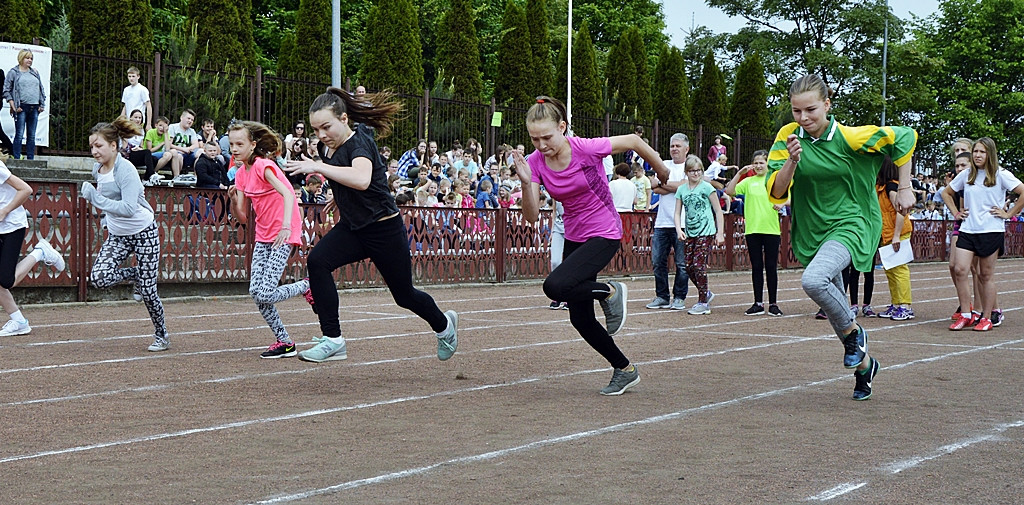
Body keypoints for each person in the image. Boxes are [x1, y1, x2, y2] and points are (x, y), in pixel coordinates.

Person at [768, 74, 918, 401]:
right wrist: (792, 161)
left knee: (814, 281)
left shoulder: (851, 137)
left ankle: (855, 334)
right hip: (813, 229)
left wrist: (905, 187)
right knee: (833, 302)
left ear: (827, 105)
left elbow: (905, 136)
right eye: (796, 111)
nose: (803, 118)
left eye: (811, 110)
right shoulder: (788, 137)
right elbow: (777, 191)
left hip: (853, 223)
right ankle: (865, 366)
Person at [285, 87, 459, 363]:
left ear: (344, 119)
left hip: (383, 230)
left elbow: (362, 178)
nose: (321, 135)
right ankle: (333, 339)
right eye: (316, 129)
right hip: (353, 228)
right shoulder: (324, 147)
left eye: (326, 127)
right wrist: (340, 198)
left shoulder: (360, 144)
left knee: (404, 296)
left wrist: (318, 167)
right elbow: (349, 178)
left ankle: (444, 326)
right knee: (317, 261)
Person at [510, 96, 664, 396]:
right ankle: (624, 369)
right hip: (575, 236)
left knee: (555, 287)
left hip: (604, 231)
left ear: (562, 127)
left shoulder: (584, 148)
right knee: (580, 318)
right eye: (534, 139)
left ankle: (610, 291)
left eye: (547, 137)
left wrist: (661, 170)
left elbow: (634, 141)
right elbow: (531, 216)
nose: (541, 145)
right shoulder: (535, 162)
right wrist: (527, 183)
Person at [80, 117, 169, 352]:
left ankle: (161, 335)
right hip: (118, 235)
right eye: (91, 146)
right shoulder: (97, 169)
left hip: (143, 231)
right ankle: (137, 274)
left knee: (148, 291)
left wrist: (96, 200)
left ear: (113, 146)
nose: (94, 151)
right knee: (99, 277)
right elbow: (110, 200)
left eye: (98, 146)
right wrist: (105, 219)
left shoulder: (126, 169)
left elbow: (129, 208)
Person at [227, 121, 313, 358]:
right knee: (256, 292)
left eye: (239, 144)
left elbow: (288, 194)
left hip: (284, 230)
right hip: (264, 234)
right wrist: (233, 201)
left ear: (253, 145)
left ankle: (307, 285)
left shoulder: (263, 165)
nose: (234, 149)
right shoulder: (240, 175)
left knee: (265, 293)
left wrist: (286, 226)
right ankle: (285, 342)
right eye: (231, 144)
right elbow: (243, 217)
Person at [942, 137, 1024, 331]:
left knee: (985, 275)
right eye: (975, 151)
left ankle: (986, 317)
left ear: (990, 154)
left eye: (982, 152)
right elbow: (946, 193)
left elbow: (1022, 192)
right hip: (968, 229)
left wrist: (1009, 214)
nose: (977, 155)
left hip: (991, 230)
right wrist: (956, 213)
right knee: (960, 269)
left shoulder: (1000, 174)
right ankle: (966, 314)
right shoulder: (967, 174)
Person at [0, 158, 65, 337]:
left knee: (6, 281)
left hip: (12, 225)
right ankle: (19, 321)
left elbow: (26, 189)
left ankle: (40, 252)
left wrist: (4, 211)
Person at [725, 149, 784, 316]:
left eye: (762, 163)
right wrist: (740, 173)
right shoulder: (748, 181)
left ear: (768, 164)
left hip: (771, 229)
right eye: (756, 163)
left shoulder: (774, 180)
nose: (758, 166)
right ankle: (758, 302)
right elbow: (730, 191)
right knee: (757, 266)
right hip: (753, 229)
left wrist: (782, 204)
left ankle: (773, 304)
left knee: (771, 267)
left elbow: (790, 195)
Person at [674, 155, 724, 315]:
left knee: (698, 265)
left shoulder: (707, 188)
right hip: (690, 232)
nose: (695, 174)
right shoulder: (681, 190)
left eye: (698, 170)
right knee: (688, 266)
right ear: (686, 172)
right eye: (692, 171)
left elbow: (718, 211)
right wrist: (678, 229)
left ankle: (703, 302)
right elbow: (677, 212)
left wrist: (720, 233)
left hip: (706, 231)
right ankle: (706, 292)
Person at [646, 133, 690, 311]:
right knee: (658, 261)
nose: (674, 149)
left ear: (686, 149)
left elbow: (685, 186)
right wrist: (674, 186)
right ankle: (662, 296)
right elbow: (654, 186)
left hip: (683, 223)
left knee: (682, 263)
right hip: (662, 222)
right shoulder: (664, 165)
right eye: (672, 146)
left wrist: (664, 184)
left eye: (678, 146)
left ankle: (679, 297)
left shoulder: (690, 166)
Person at [875, 157, 915, 321]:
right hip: (887, 232)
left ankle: (905, 306)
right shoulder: (881, 187)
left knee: (899, 269)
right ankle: (896, 304)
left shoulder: (892, 187)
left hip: (897, 232)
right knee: (890, 270)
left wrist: (896, 235)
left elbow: (901, 210)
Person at [3, 49, 46, 160]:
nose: (30, 60)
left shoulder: (34, 72)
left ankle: (30, 160)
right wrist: (13, 105)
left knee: (31, 136)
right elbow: (6, 90)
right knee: (19, 134)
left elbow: (40, 88)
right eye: (27, 58)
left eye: (31, 58)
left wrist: (41, 104)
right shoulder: (14, 72)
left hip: (34, 107)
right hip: (21, 107)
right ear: (21, 58)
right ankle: (17, 158)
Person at [166, 109, 202, 175]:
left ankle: (196, 176)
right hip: (176, 153)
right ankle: (177, 176)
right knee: (179, 156)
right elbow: (169, 144)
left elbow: (196, 145)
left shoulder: (192, 131)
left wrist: (188, 149)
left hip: (188, 153)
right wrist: (182, 149)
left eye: (192, 120)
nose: (190, 121)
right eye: (188, 118)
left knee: (201, 152)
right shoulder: (172, 127)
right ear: (181, 117)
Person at [123, 109, 156, 181]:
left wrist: (139, 149)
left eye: (140, 118)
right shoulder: (126, 130)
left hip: (137, 153)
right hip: (129, 154)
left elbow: (141, 146)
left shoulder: (141, 131)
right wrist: (132, 148)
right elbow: (124, 147)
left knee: (154, 159)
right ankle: (152, 174)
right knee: (147, 152)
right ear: (131, 118)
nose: (138, 120)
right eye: (136, 117)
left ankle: (146, 179)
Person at [120, 66, 152, 130]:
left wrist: (149, 124)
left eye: (133, 76)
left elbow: (148, 105)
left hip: (138, 120)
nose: (131, 78)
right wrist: (121, 119)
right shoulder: (126, 90)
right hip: (129, 121)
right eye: (129, 76)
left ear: (138, 76)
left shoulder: (142, 89)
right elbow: (125, 106)